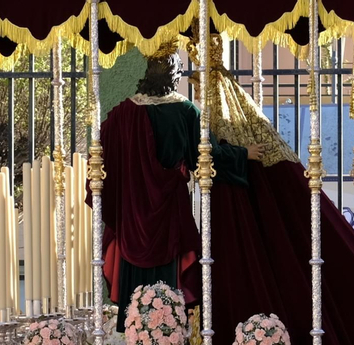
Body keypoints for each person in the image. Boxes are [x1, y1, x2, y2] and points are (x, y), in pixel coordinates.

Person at [99, 41, 255, 329]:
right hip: (169, 212)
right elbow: (207, 157)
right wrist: (245, 154)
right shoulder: (185, 111)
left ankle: (137, 341)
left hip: (132, 216)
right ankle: (169, 338)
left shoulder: (120, 114)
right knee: (169, 290)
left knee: (137, 304)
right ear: (174, 74)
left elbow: (102, 164)